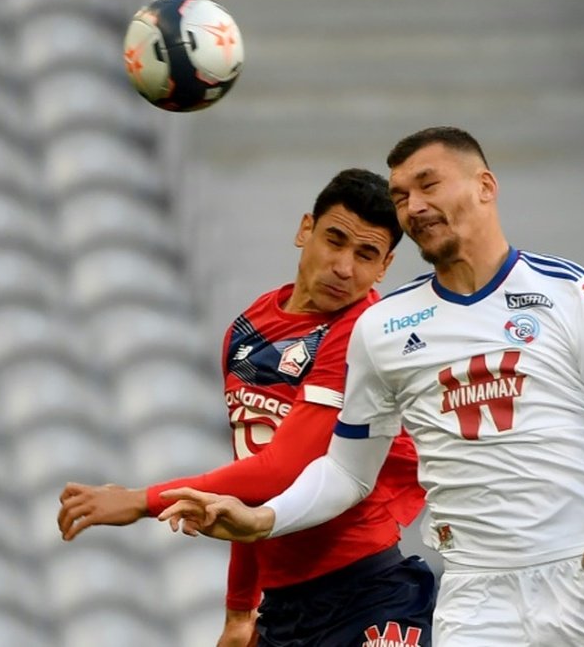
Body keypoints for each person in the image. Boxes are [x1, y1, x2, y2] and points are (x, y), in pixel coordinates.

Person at [159, 126, 584, 647]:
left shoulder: (575, 294)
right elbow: (346, 472)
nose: (414, 206)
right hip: (477, 602)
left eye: (428, 185)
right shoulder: (383, 327)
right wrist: (263, 520)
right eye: (402, 196)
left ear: (485, 185)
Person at [57, 168, 436, 647]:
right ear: (305, 230)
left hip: (366, 594)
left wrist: (140, 501)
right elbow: (250, 479)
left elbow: (282, 472)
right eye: (334, 241)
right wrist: (240, 610)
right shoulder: (249, 329)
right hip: (283, 607)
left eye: (365, 255)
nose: (344, 267)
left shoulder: (363, 333)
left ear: (384, 267)